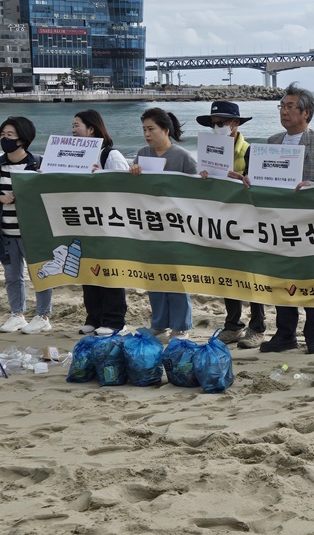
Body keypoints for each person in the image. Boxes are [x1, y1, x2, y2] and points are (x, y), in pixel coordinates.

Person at [258, 83, 314, 355]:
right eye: (281, 106)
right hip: (279, 222)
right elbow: (262, 179)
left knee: (313, 279)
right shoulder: (271, 143)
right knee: (282, 278)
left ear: (306, 113)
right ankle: (285, 334)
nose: (284, 111)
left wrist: (311, 183)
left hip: (310, 222)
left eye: (290, 107)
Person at [196, 101, 265, 349]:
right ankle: (233, 326)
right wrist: (202, 178)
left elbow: (262, 190)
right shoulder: (207, 151)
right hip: (221, 221)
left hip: (247, 224)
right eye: (213, 124)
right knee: (227, 275)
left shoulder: (250, 152)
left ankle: (257, 328)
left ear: (235, 124)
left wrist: (244, 180)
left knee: (252, 275)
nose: (216, 128)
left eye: (221, 124)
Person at [128, 108, 197, 341]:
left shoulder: (183, 156)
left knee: (176, 276)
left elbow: (198, 191)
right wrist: (133, 173)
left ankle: (180, 325)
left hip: (177, 226)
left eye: (151, 129)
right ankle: (159, 323)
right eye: (144, 130)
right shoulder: (142, 153)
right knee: (154, 274)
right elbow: (134, 190)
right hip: (150, 224)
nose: (147, 134)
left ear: (165, 130)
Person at [0, 116, 53, 334]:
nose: (5, 139)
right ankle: (17, 315)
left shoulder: (40, 163)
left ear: (22, 139)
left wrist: (46, 178)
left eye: (10, 135)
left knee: (40, 274)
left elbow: (56, 192)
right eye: (2, 135)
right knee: (12, 276)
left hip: (33, 232)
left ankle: (42, 316)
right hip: (4, 230)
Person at [74, 109, 128, 336]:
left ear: (91, 129)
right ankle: (94, 317)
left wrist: (101, 175)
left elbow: (126, 188)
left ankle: (114, 320)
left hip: (109, 223)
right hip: (85, 221)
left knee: (110, 270)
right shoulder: (74, 154)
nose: (73, 131)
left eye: (77, 126)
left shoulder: (110, 155)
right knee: (88, 270)